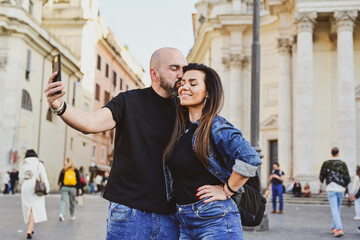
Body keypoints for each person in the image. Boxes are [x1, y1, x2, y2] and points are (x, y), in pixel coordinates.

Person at [44, 47, 186, 239]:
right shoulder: (128, 101)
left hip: (171, 218)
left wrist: (225, 188)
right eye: (174, 68)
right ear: (155, 74)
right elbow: (90, 123)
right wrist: (59, 106)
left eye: (183, 68)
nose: (181, 74)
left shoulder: (186, 110)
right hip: (129, 215)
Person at [162, 63, 261, 239]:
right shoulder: (181, 130)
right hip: (184, 221)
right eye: (182, 83)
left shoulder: (216, 126)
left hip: (215, 219)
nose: (185, 87)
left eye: (193, 83)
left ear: (208, 92)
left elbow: (249, 157)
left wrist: (226, 190)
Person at [19, 149, 50, 239]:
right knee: (34, 208)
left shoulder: (23, 164)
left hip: (25, 186)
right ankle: (29, 230)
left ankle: (30, 227)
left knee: (28, 208)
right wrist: (47, 188)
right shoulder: (38, 164)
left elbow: (20, 177)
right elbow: (44, 177)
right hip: (34, 186)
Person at [319, 147, 350, 237]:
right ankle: (334, 227)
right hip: (341, 189)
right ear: (338, 153)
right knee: (337, 208)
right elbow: (347, 178)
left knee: (334, 209)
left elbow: (321, 177)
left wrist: (320, 188)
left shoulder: (326, 163)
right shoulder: (343, 164)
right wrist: (351, 191)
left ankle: (339, 228)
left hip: (331, 189)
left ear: (331, 153)